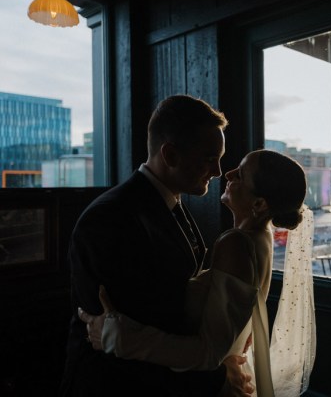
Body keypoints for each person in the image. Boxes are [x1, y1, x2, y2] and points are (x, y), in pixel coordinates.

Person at [60, 95, 255, 396]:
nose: (217, 171)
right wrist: (214, 378)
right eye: (208, 158)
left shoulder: (171, 202)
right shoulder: (109, 220)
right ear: (171, 155)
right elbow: (121, 342)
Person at [79, 149, 315, 397]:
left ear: (259, 204)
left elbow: (208, 352)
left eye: (241, 175)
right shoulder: (261, 238)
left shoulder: (235, 243)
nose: (228, 173)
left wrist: (119, 337)